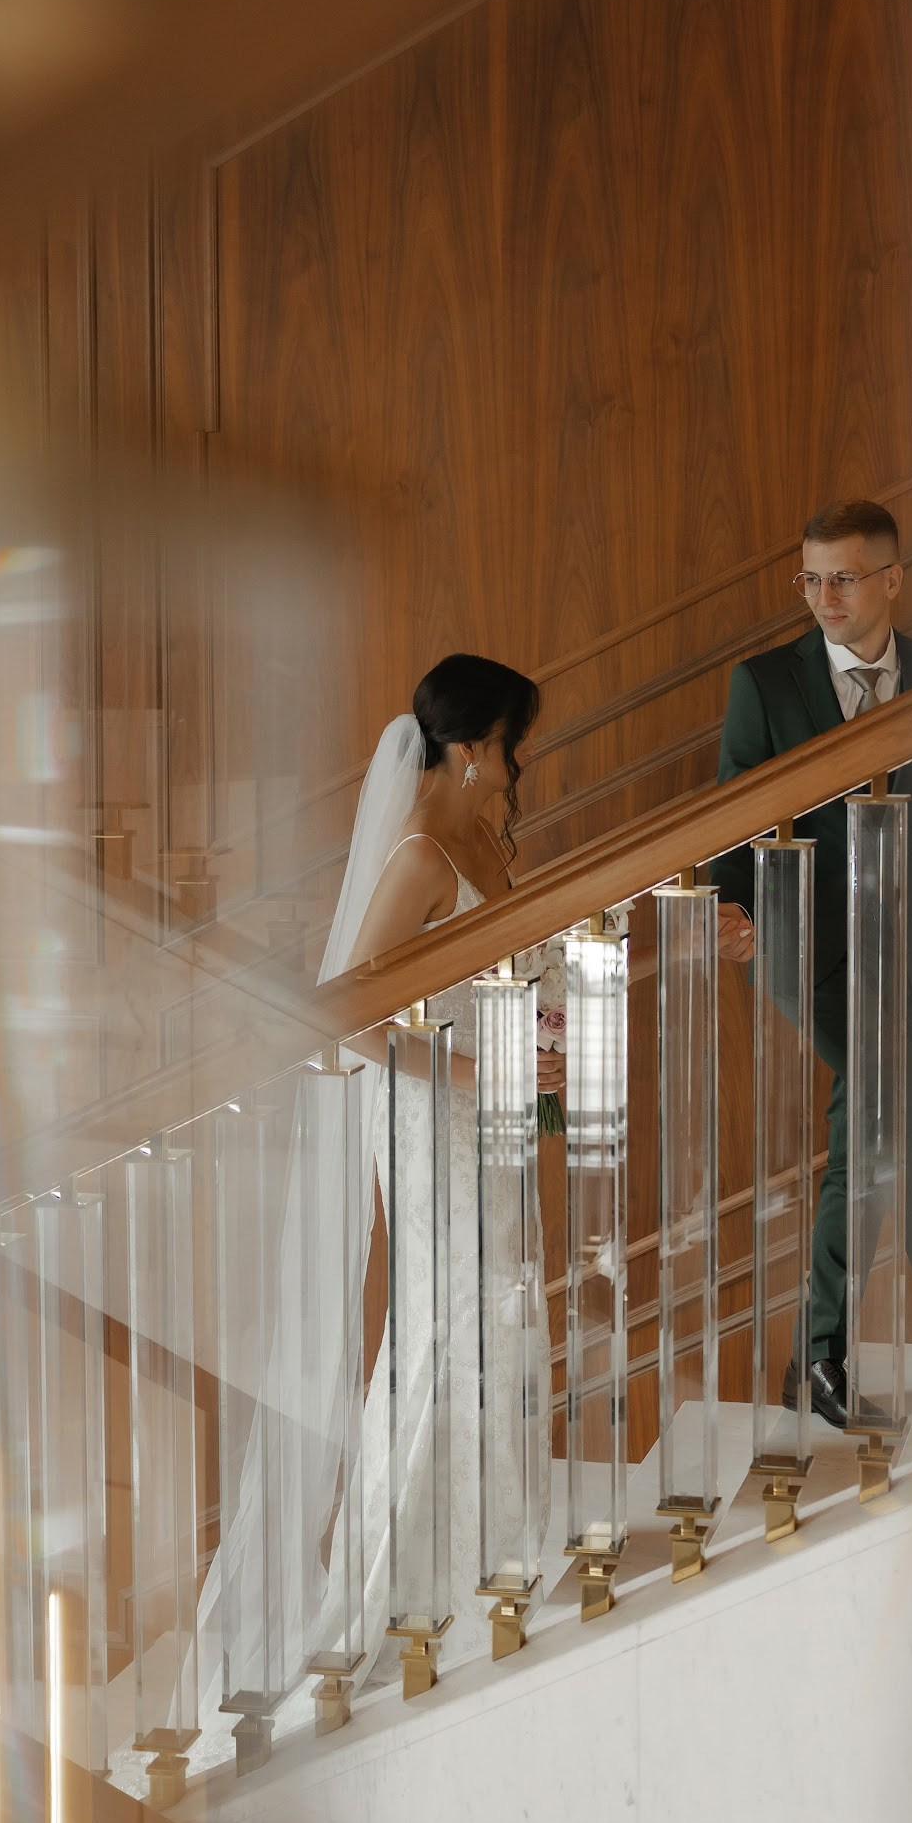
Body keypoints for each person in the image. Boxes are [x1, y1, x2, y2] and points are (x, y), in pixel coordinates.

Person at [708, 499, 912, 1427]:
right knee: (886, 1109)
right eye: (810, 578)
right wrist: (731, 906)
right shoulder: (765, 683)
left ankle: (830, 1354)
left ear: (891, 578)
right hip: (804, 944)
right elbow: (732, 811)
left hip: (910, 951)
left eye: (842, 577)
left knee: (887, 1124)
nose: (823, 597)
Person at [321, 653, 564, 1676]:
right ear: (468, 748)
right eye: (510, 743)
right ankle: (398, 1593)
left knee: (495, 1323)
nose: (518, 763)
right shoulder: (422, 854)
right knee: (445, 1331)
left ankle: (487, 1557)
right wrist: (483, 1069)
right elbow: (351, 1021)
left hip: (485, 1117)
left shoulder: (479, 838)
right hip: (432, 1122)